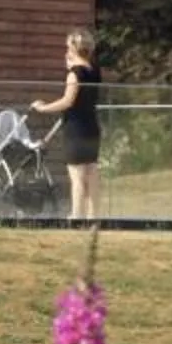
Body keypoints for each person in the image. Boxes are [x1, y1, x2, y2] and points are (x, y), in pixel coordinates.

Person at [30, 29, 104, 222]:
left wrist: (43, 108)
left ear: (73, 48)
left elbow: (68, 101)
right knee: (92, 171)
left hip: (76, 128)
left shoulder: (75, 74)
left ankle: (77, 215)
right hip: (91, 125)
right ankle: (93, 215)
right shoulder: (94, 70)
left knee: (77, 174)